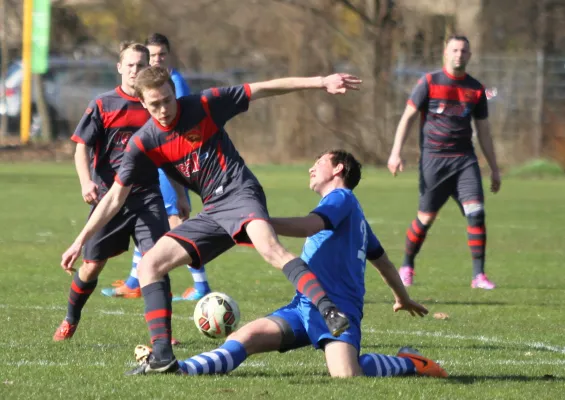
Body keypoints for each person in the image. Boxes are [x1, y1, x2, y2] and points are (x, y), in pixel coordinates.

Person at [60, 66, 363, 375]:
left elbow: (264, 87)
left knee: (270, 249)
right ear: (143, 103)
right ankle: (163, 356)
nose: (164, 109)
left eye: (167, 100)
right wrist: (80, 240)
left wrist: (321, 81)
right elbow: (113, 197)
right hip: (214, 209)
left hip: (240, 193)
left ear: (173, 92)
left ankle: (328, 310)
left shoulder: (203, 105)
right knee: (150, 265)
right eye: (155, 105)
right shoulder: (143, 142)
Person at [135, 150, 447, 379]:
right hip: (303, 307)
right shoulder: (354, 215)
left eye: (320, 161)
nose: (312, 166)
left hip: (337, 310)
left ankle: (410, 362)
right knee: (243, 339)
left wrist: (259, 222)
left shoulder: (341, 199)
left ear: (339, 168)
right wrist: (402, 298)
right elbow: (384, 263)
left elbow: (311, 225)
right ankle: (179, 369)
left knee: (346, 375)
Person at [53, 42, 173, 341]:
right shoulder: (104, 104)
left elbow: (170, 152)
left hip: (147, 196)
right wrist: (86, 182)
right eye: (130, 64)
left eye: (141, 64)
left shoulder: (156, 104)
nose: (135, 70)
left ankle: (163, 335)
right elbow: (82, 147)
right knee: (92, 266)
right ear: (120, 67)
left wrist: (181, 197)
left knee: (157, 261)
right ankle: (70, 318)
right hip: (109, 198)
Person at [101, 33, 212, 301]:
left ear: (169, 56)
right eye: (152, 56)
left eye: (162, 54)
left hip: (168, 166)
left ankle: (201, 285)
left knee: (176, 223)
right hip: (154, 165)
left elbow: (178, 128)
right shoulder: (150, 85)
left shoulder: (173, 84)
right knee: (150, 223)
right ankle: (133, 281)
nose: (157, 59)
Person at [387, 34, 501, 289]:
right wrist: (395, 153)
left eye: (464, 51)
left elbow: (483, 131)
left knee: (476, 213)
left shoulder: (476, 89)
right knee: (425, 219)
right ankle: (406, 266)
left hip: (464, 161)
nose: (459, 54)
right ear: (445, 53)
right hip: (433, 162)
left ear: (469, 56)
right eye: (455, 50)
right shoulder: (429, 82)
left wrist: (494, 167)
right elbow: (407, 118)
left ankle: (478, 275)